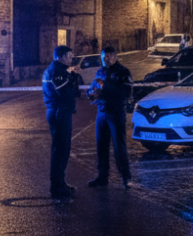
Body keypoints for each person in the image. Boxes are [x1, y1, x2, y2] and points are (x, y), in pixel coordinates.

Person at [86, 46, 133, 189]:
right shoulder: (100, 71)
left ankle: (126, 177)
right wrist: (91, 93)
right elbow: (93, 87)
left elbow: (126, 93)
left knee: (119, 147)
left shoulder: (123, 72)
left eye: (107, 56)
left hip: (115, 112)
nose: (105, 59)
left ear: (115, 57)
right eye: (102, 57)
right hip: (101, 112)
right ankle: (102, 176)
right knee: (101, 145)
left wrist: (105, 90)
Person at [42, 45, 83, 200]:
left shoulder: (57, 70)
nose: (70, 59)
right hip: (59, 112)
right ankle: (56, 186)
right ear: (60, 57)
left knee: (63, 148)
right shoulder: (57, 72)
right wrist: (74, 80)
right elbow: (66, 93)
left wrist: (71, 75)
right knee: (60, 149)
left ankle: (60, 182)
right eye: (69, 56)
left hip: (59, 111)